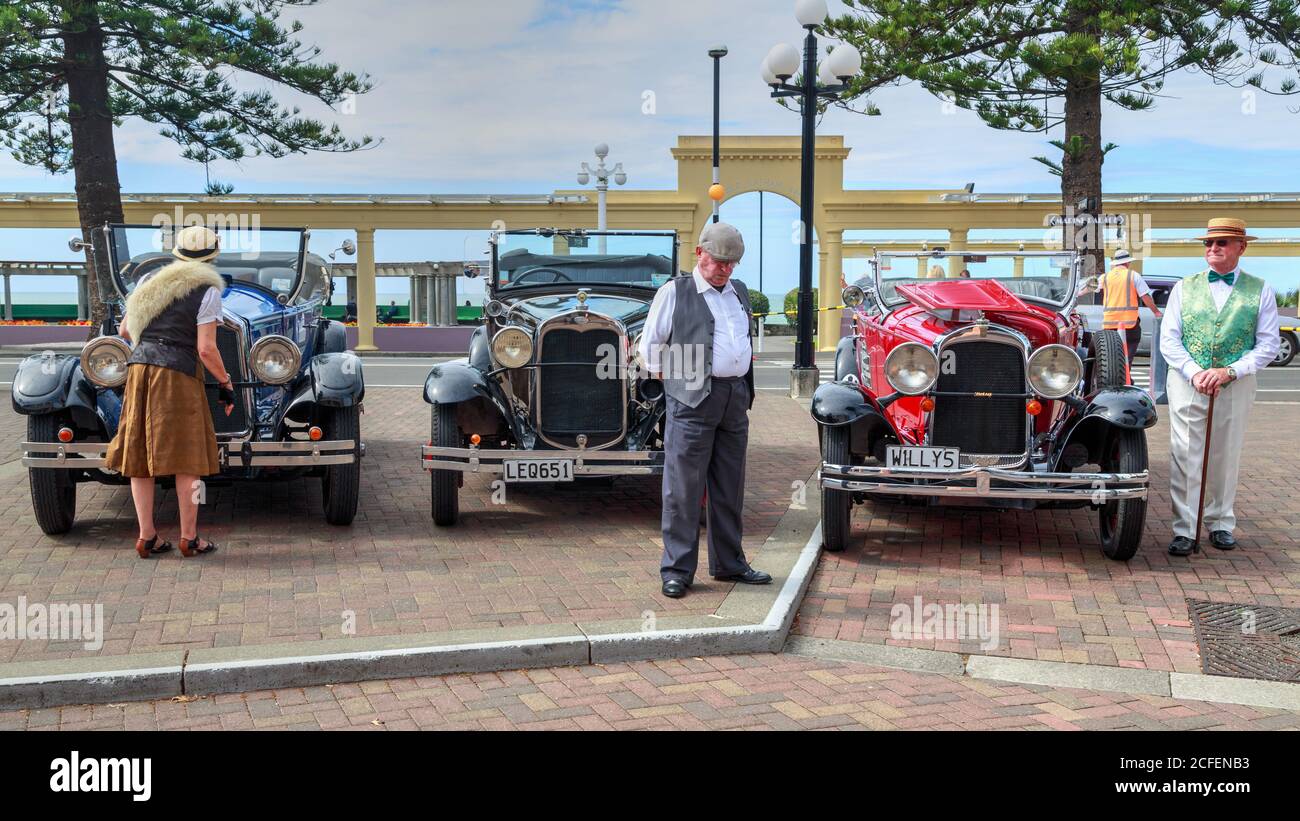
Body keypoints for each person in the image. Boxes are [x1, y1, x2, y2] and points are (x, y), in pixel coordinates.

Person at [639, 222, 770, 598]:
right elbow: (650, 349)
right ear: (699, 253)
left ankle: (729, 563)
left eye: (732, 263)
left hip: (734, 398)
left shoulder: (739, 291)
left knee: (729, 486)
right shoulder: (675, 291)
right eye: (719, 261)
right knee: (683, 489)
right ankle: (677, 570)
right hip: (692, 400)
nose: (725, 269)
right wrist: (679, 383)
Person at [105, 225, 235, 559]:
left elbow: (124, 330)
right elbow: (206, 349)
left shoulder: (149, 282)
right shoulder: (207, 290)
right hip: (177, 375)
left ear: (177, 253)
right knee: (187, 457)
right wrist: (225, 382)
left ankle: (147, 536)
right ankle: (189, 539)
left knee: (139, 455)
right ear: (212, 257)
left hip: (139, 370)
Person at [1160, 218, 1279, 557]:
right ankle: (1185, 528)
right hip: (1187, 382)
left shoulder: (1260, 289)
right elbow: (1169, 339)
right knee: (1185, 454)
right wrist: (1195, 371)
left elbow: (1268, 344)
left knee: (1225, 454)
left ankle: (1220, 522)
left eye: (1223, 242)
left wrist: (1230, 371)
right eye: (1209, 243)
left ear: (1242, 247)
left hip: (1236, 384)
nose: (1213, 248)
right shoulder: (1185, 287)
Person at [1094, 249, 1162, 366]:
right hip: (1129, 325)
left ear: (1115, 263)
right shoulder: (1133, 275)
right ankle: (1126, 376)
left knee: (1111, 355)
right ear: (1127, 263)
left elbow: (1088, 287)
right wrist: (1156, 312)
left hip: (1109, 325)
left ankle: (1115, 377)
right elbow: (1145, 296)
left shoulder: (1105, 277)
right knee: (1127, 356)